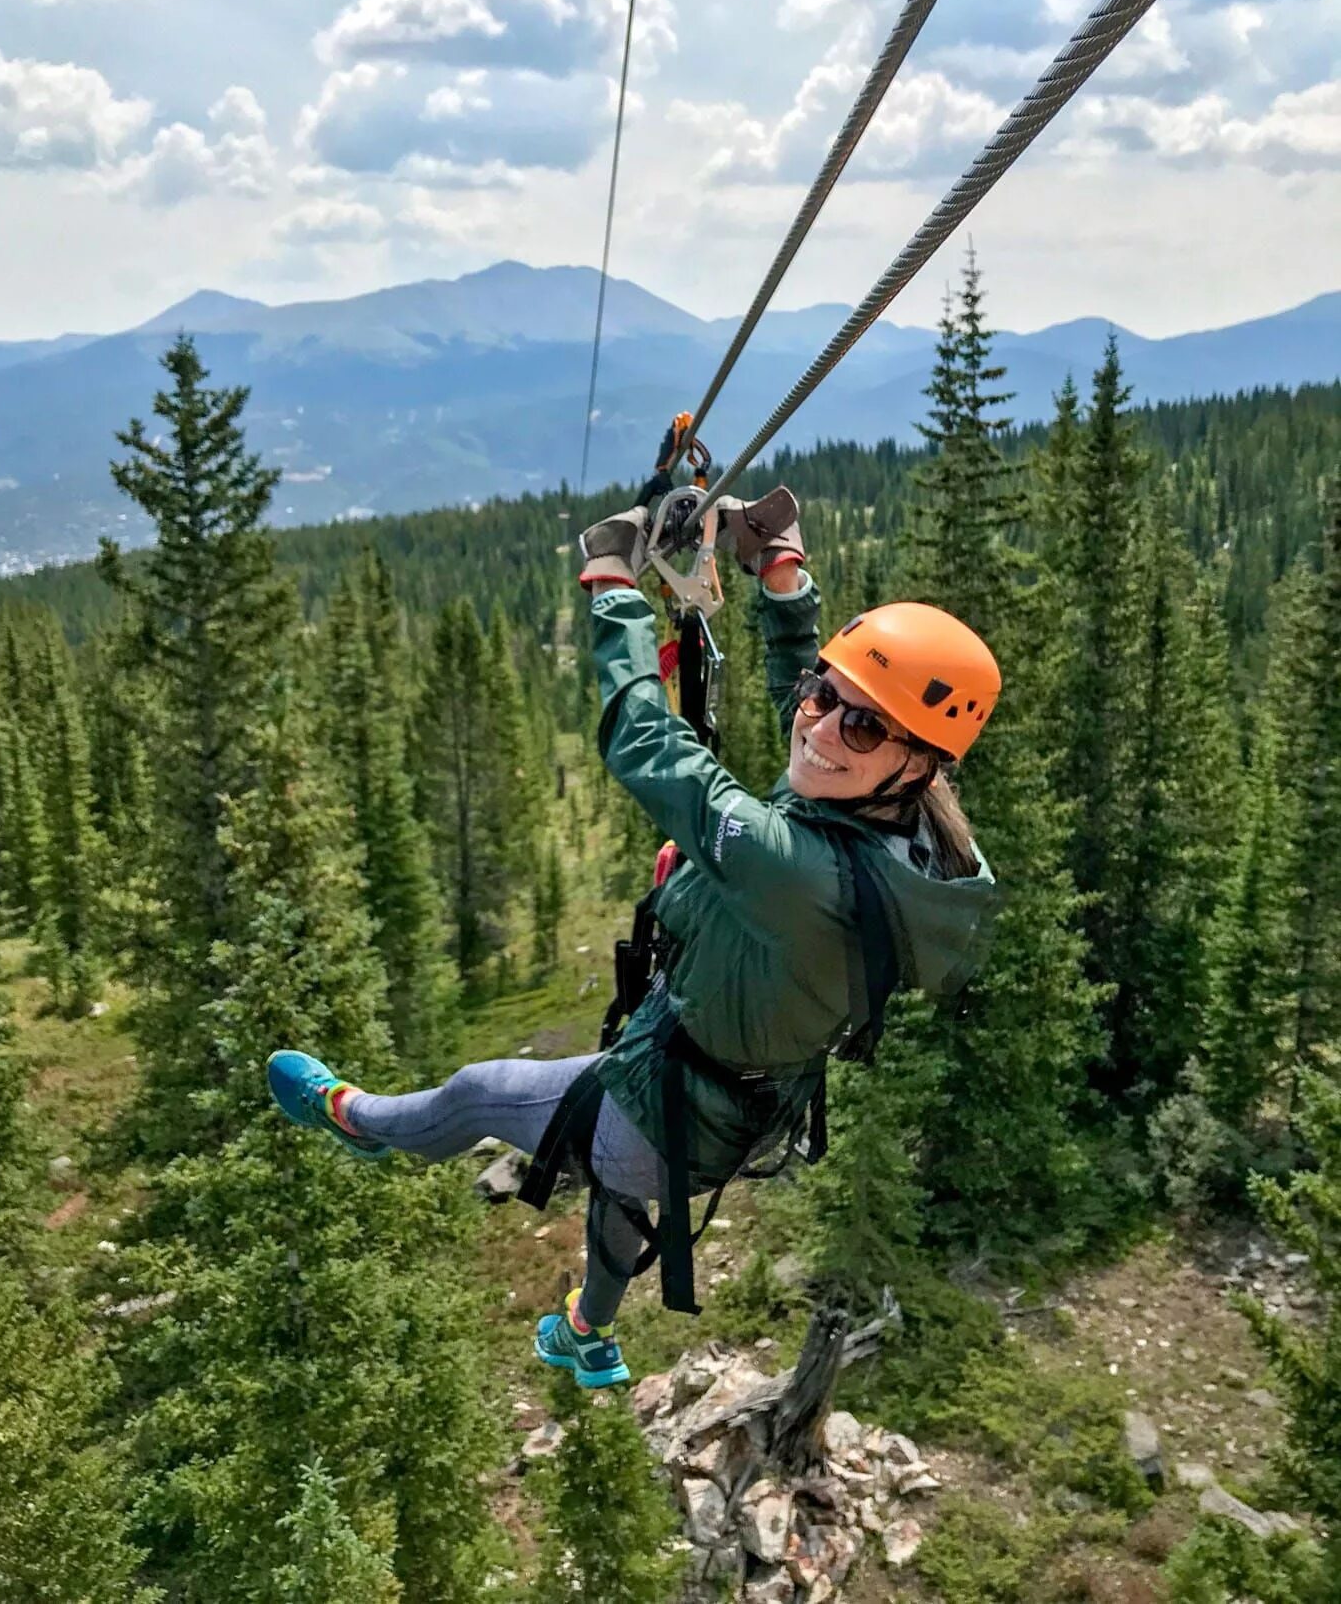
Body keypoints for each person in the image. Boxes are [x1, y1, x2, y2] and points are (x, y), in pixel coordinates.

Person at [268, 487, 999, 1388]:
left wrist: (613, 585)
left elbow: (649, 746)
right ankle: (586, 1329)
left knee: (478, 1093)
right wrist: (782, 577)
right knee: (620, 1195)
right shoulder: (921, 846)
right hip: (743, 1105)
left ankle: (363, 1122)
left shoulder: (798, 873)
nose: (817, 724)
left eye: (860, 722)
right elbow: (806, 714)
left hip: (665, 1105)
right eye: (825, 695)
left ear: (921, 760)